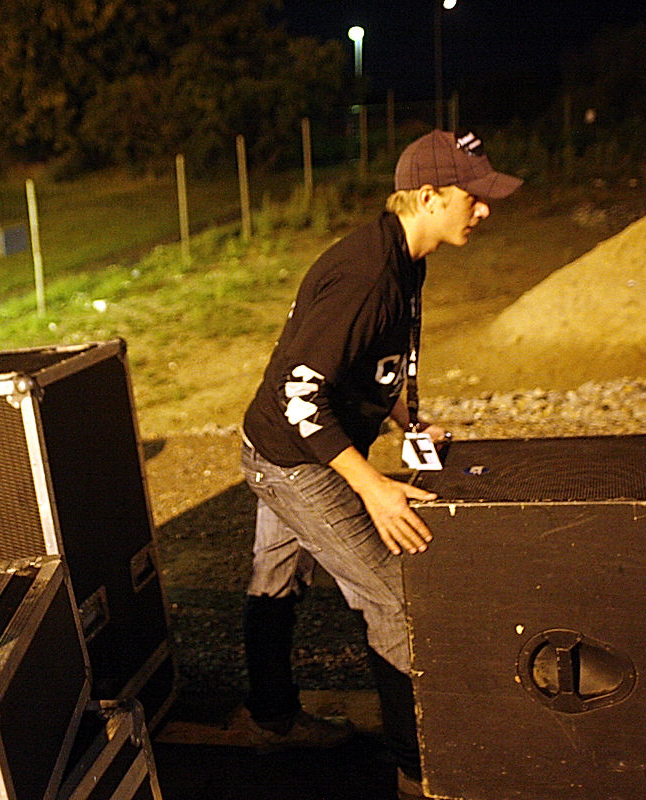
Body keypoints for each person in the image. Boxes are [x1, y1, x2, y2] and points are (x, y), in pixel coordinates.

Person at [237, 130, 522, 798]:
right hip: (293, 456)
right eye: (473, 198)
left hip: (280, 443)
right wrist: (373, 489)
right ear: (428, 196)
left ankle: (272, 721)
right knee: (395, 597)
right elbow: (301, 395)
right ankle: (416, 775)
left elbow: (360, 366)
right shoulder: (369, 276)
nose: (484, 210)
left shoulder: (403, 258)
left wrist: (404, 419)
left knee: (274, 580)